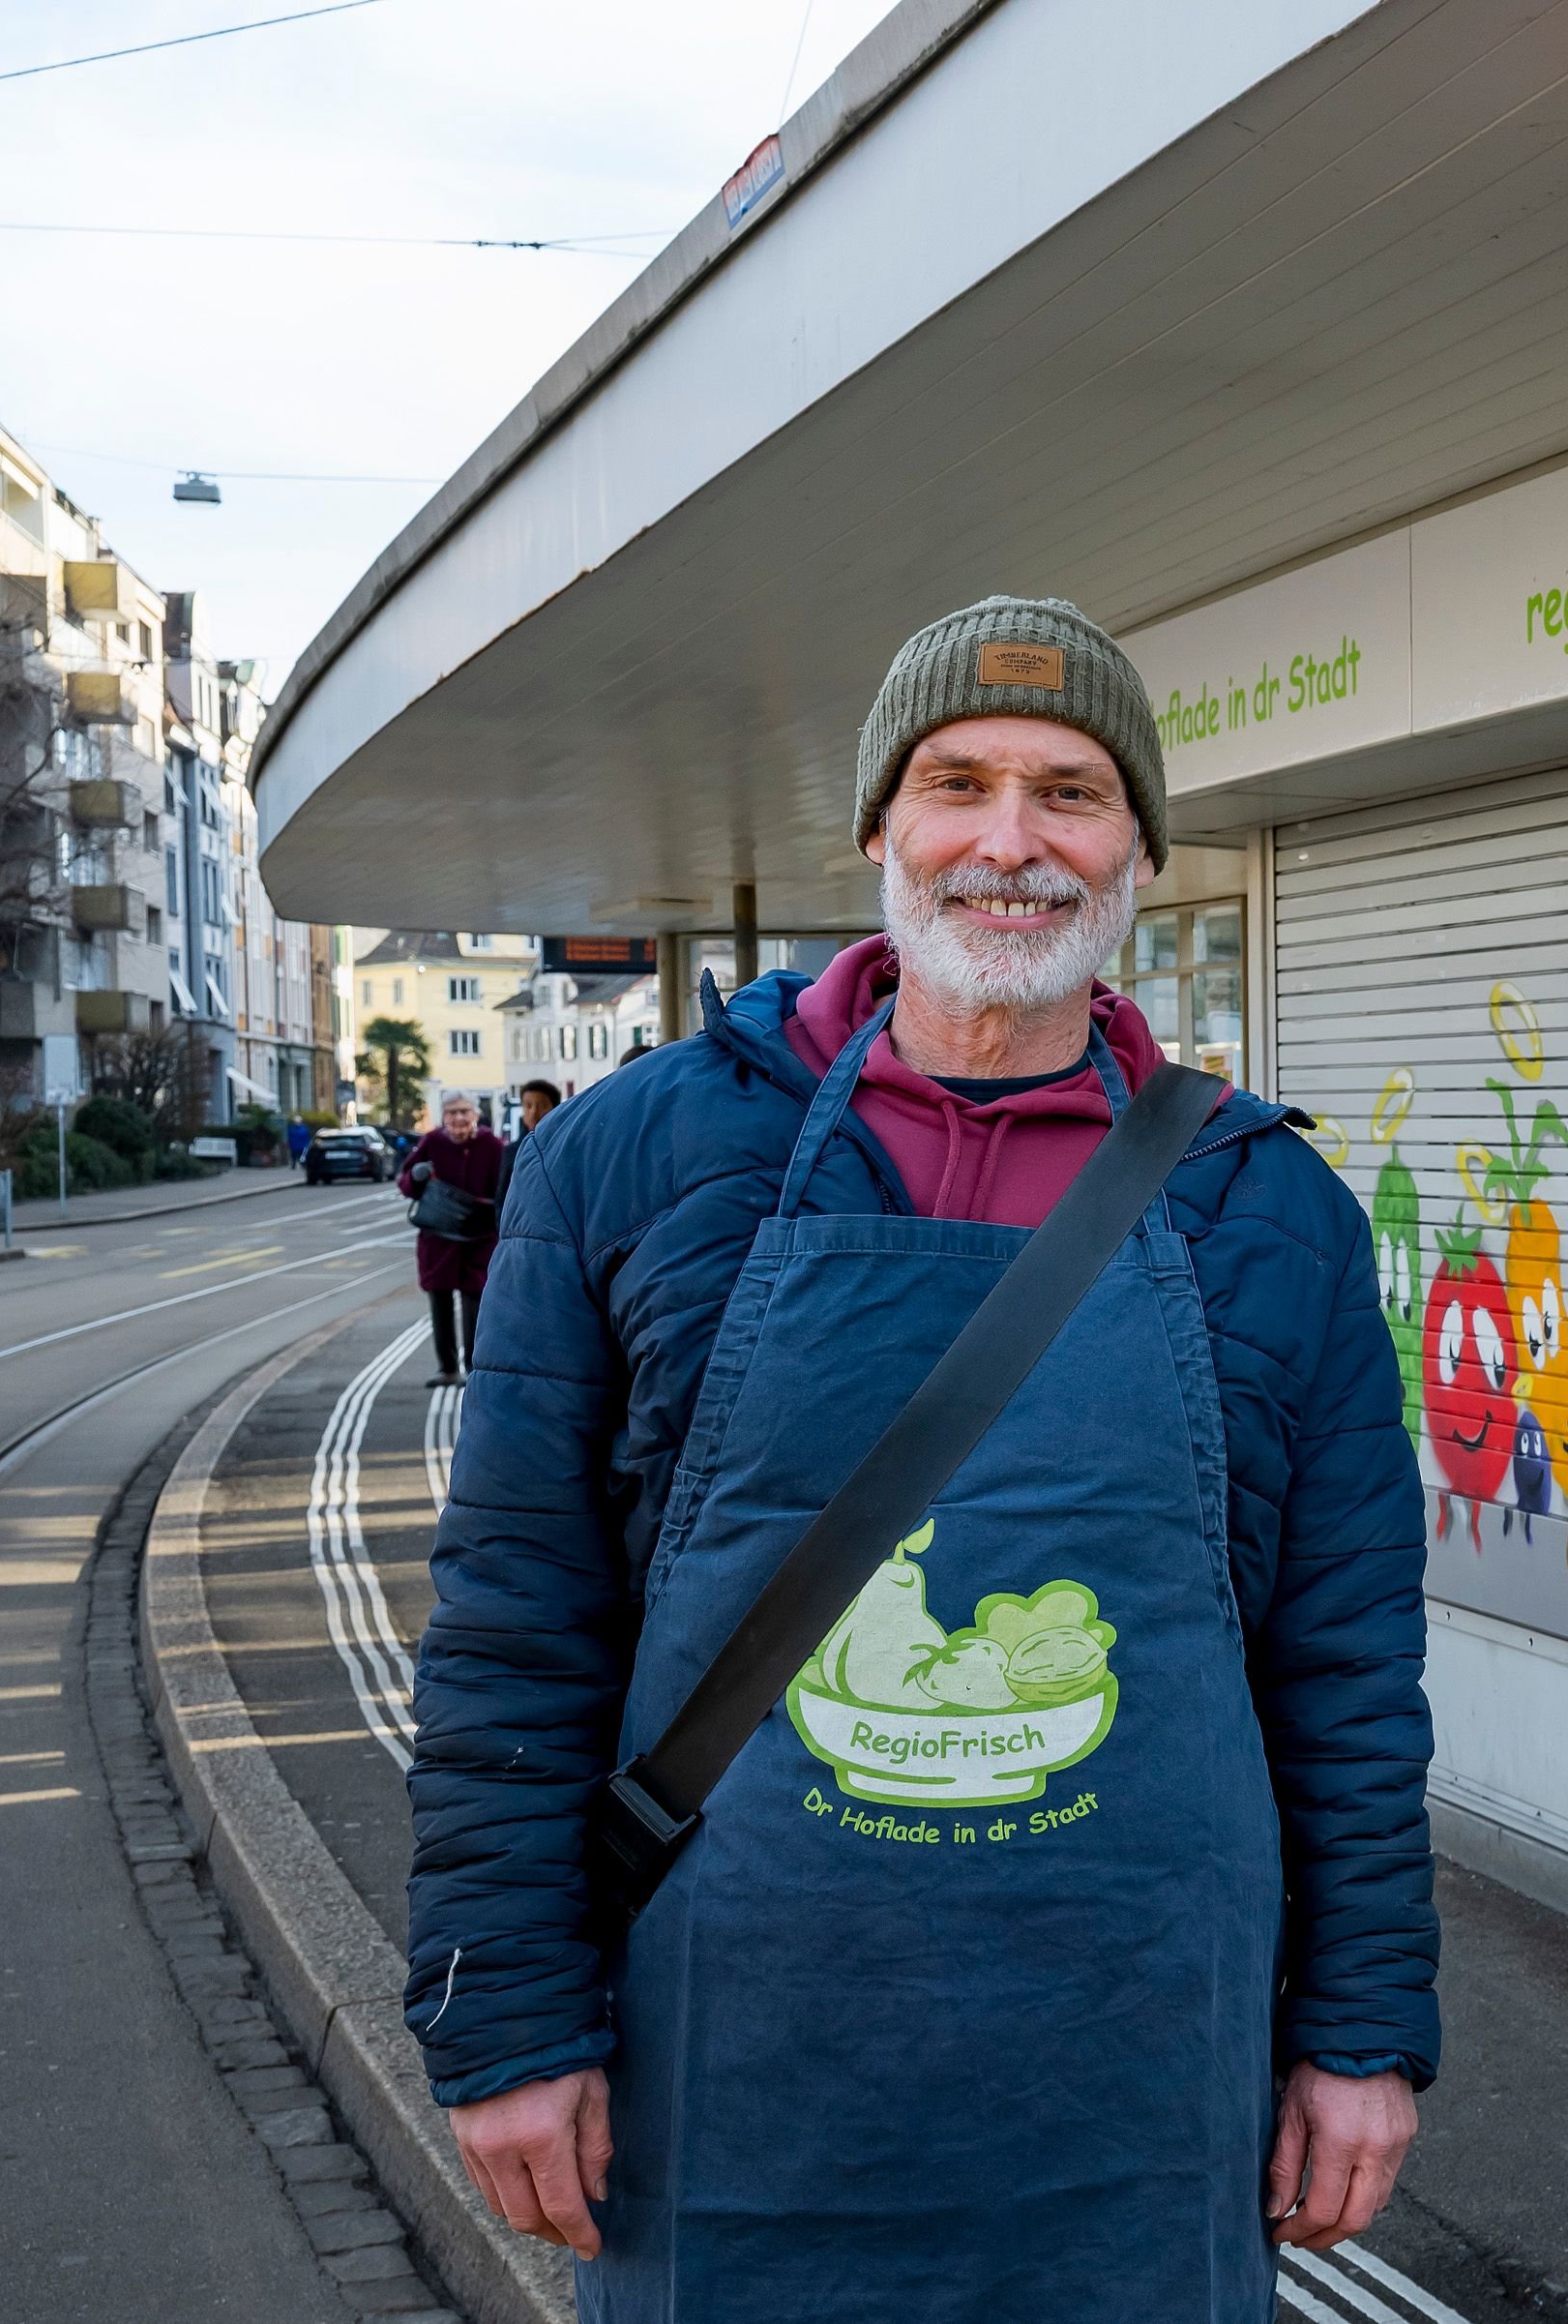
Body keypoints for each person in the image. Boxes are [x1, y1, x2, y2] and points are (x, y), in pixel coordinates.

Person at [405, 597, 1435, 2322]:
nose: (1010, 841)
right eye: (957, 781)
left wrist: (1359, 2031)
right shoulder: (630, 1159)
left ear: (1138, 854)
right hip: (730, 2063)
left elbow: (1342, 1671)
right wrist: (502, 2016)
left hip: (1138, 2070)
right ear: (879, 825)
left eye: (1072, 791)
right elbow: (518, 1620)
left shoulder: (1268, 1210)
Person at [403, 1095, 509, 1385]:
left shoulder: (492, 1146)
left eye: (463, 1111)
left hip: (478, 1236)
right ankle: (447, 1367)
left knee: (475, 1302)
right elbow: (407, 1184)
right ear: (443, 1117)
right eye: (451, 1113)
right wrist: (415, 1175)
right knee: (439, 1300)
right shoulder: (432, 1143)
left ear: (475, 1114)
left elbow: (505, 1188)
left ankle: (474, 1368)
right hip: (439, 1238)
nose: (458, 1118)